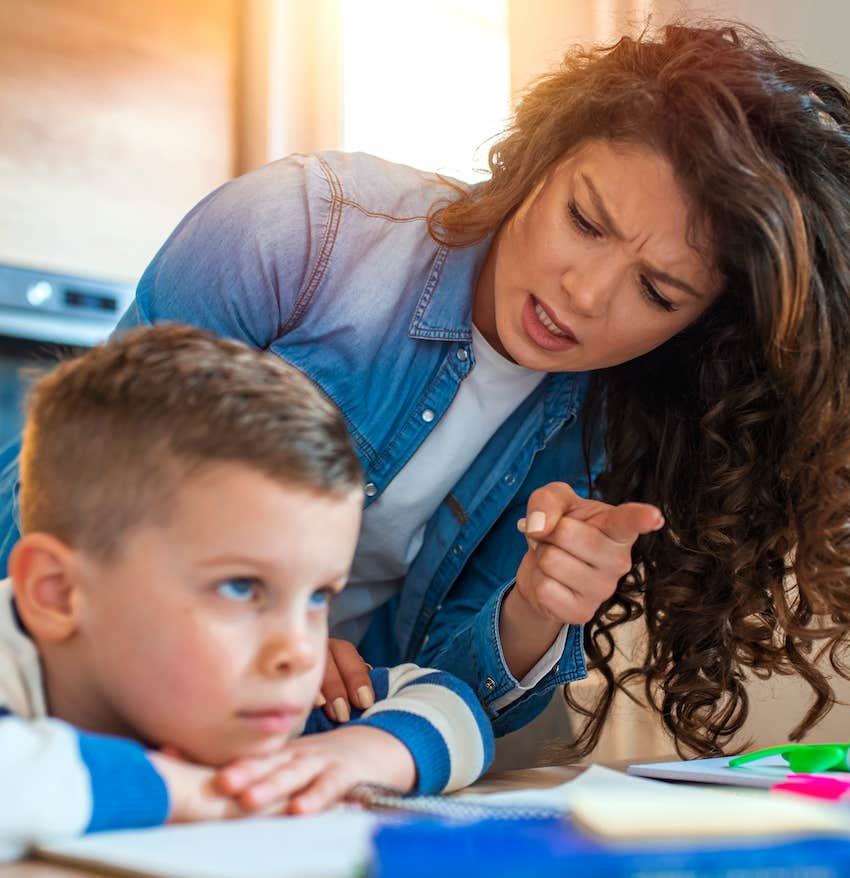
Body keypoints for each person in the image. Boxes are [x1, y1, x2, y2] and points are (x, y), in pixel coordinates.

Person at [3, 21, 850, 758]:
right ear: (538, 160)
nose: (585, 295)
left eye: (658, 292)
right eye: (584, 222)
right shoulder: (297, 232)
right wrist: (259, 642)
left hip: (316, 747)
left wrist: (534, 612)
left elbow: (445, 699)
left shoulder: (619, 414)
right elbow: (56, 502)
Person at [0, 325, 493, 861]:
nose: (300, 652)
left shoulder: (249, 699)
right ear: (58, 593)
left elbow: (453, 704)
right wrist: (187, 792)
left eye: (317, 595)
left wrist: (362, 753)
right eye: (241, 588)